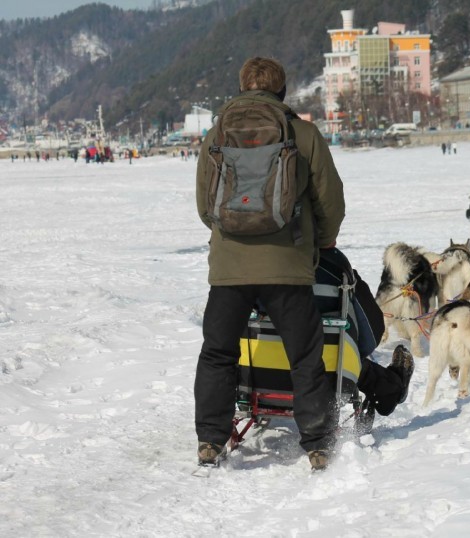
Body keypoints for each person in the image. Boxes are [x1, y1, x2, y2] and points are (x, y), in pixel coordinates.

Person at [194, 57, 412, 472]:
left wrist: (231, 236)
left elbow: (206, 206)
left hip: (228, 267)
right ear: (282, 91)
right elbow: (330, 200)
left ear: (242, 88)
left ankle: (210, 440)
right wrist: (323, 240)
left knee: (217, 353)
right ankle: (317, 444)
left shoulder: (215, 135)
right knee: (306, 355)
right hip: (288, 265)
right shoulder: (303, 134)